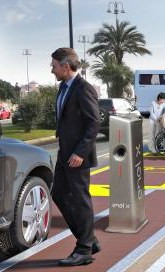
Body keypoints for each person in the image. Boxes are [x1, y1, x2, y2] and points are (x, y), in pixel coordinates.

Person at [50, 48, 101, 266]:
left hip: (77, 155)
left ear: (65, 66)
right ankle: (89, 239)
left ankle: (84, 250)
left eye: (54, 65)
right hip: (65, 153)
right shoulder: (63, 87)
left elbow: (94, 122)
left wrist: (80, 152)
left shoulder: (83, 88)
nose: (51, 70)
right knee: (59, 194)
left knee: (80, 200)